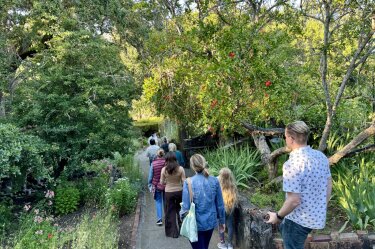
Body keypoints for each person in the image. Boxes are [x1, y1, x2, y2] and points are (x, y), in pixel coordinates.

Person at [266, 121, 332, 249]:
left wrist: (278, 216)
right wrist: (320, 206)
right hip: (315, 218)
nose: (286, 139)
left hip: (298, 220)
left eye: (286, 137)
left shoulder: (292, 164)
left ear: (291, 139)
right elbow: (329, 184)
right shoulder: (320, 157)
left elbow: (294, 201)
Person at [180, 154, 225, 249]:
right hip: (210, 222)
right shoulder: (214, 181)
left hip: (195, 224)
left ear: (192, 166)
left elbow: (185, 207)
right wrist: (222, 221)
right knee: (205, 246)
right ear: (204, 163)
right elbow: (220, 204)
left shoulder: (188, 182)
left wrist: (181, 217)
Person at [160, 152, 186, 238]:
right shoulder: (181, 169)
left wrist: (167, 181)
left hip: (168, 192)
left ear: (166, 159)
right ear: (175, 159)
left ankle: (173, 232)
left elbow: (161, 182)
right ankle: (183, 229)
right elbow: (184, 182)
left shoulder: (164, 169)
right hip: (179, 191)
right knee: (180, 210)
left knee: (170, 212)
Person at [217, 168, 238, 249]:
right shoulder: (233, 185)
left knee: (221, 225)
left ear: (221, 177)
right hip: (230, 207)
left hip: (221, 208)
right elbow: (236, 198)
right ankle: (230, 244)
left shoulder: (218, 185)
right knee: (230, 225)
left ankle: (222, 243)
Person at [148, 149, 166, 225]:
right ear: (163, 154)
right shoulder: (166, 162)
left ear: (157, 155)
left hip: (156, 185)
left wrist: (149, 184)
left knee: (158, 201)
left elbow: (150, 176)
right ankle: (167, 217)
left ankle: (159, 219)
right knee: (165, 201)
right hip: (165, 184)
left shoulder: (153, 163)